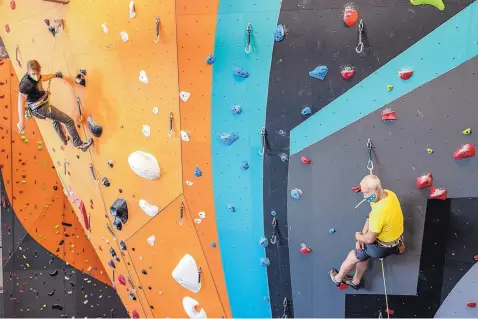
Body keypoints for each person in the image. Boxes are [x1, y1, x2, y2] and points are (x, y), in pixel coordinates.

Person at [329, 174, 405, 290]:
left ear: (376, 189)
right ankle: (355, 281)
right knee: (363, 257)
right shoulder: (390, 194)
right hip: (397, 239)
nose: (365, 197)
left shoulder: (379, 213)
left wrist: (358, 236)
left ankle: (338, 279)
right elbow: (372, 214)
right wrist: (364, 232)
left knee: (353, 256)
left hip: (381, 248)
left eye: (367, 193)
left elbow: (370, 239)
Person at [17, 60, 93, 152]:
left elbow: (42, 78)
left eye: (38, 73)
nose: (36, 76)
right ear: (28, 72)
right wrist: (21, 121)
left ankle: (64, 140)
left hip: (42, 105)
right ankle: (80, 145)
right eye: (34, 74)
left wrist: (55, 75)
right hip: (40, 109)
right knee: (68, 121)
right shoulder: (25, 84)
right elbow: (21, 102)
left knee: (56, 120)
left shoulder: (35, 74)